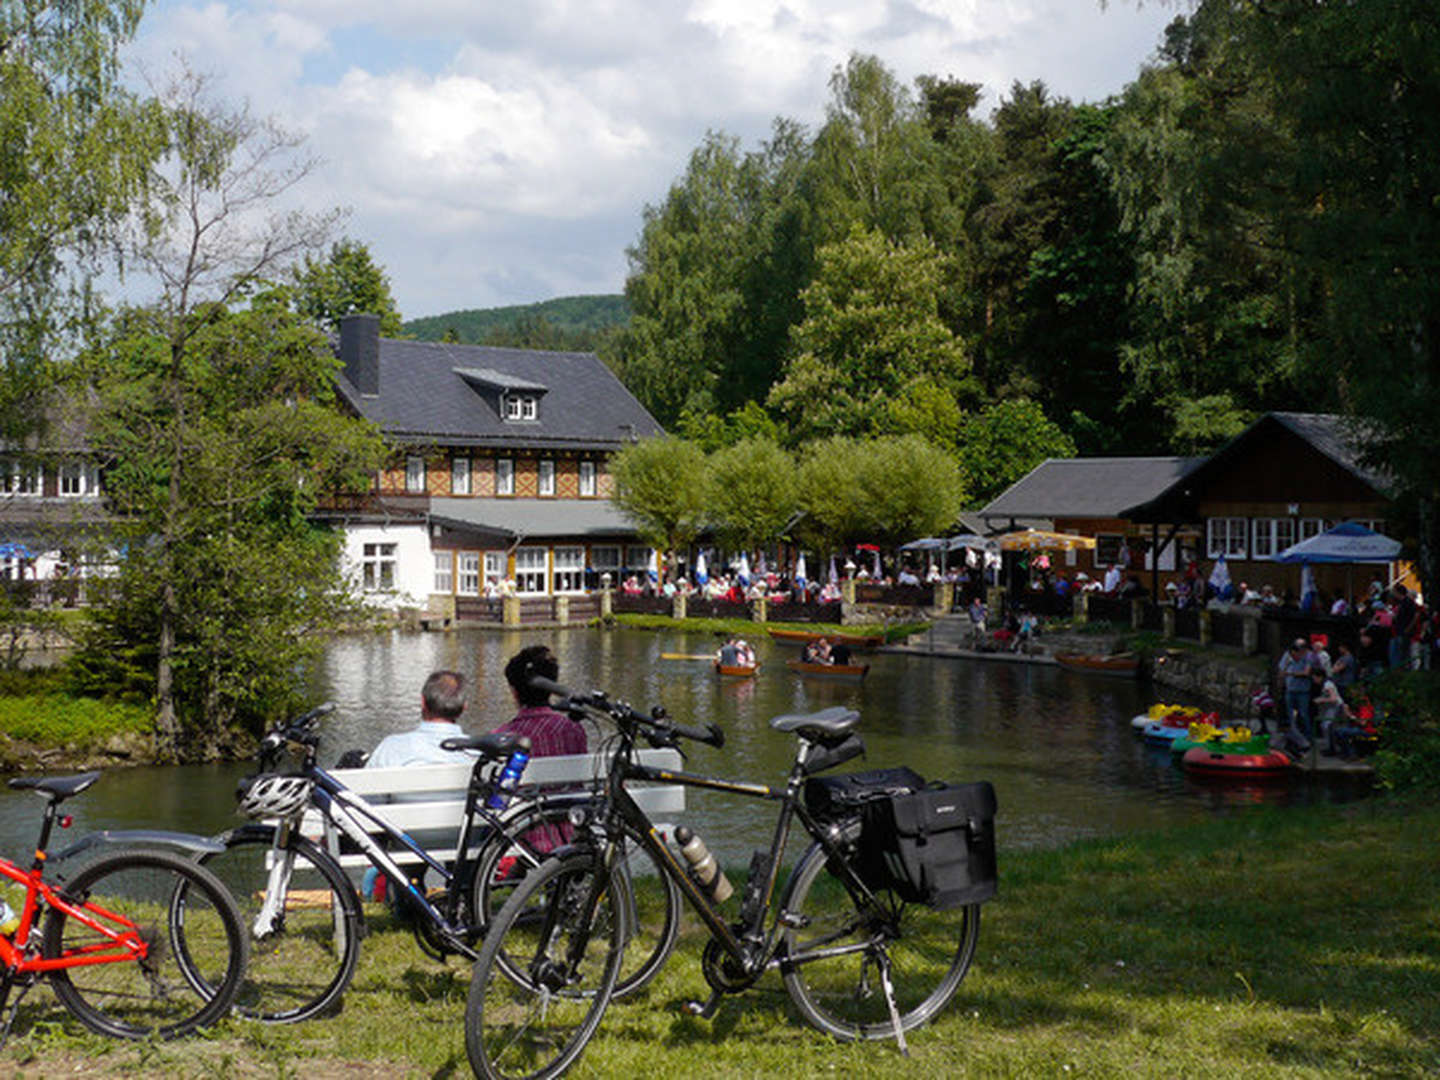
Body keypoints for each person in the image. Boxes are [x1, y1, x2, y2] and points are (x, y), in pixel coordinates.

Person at [367, 670, 473, 769]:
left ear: (423, 702)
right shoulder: (476, 751)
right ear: (464, 706)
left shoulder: (392, 747)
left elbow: (366, 785)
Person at [1277, 638, 1315, 752]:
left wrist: (1290, 673)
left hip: (1303, 690)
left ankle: (1308, 739)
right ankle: (1294, 740)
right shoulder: (1287, 656)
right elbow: (1281, 671)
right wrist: (1281, 683)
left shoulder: (1308, 656)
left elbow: (1306, 672)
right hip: (1290, 689)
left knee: (1303, 714)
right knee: (1291, 716)